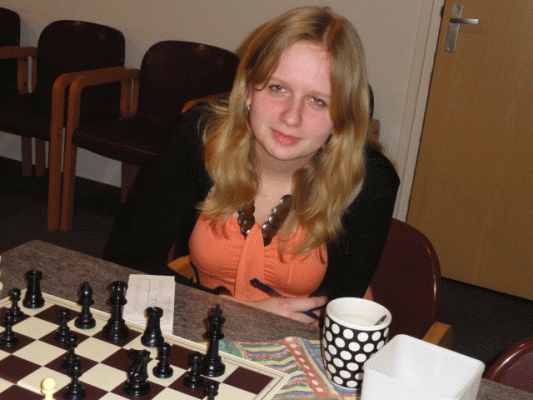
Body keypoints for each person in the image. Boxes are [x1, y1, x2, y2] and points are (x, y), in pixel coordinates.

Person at [115, 6, 400, 324]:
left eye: (318, 101)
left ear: (341, 117)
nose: (291, 117)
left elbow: (339, 311)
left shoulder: (369, 179)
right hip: (209, 322)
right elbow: (132, 262)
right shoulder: (199, 136)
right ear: (249, 89)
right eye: (278, 88)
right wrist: (231, 311)